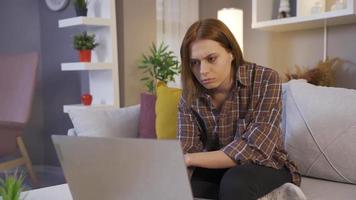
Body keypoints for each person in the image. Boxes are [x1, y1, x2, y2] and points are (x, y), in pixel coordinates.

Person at [178, 18, 301, 200]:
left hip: (266, 163)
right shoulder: (189, 96)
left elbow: (256, 148)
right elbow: (186, 148)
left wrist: (188, 159)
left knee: (235, 183)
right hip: (216, 167)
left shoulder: (266, 79)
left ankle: (279, 191)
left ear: (231, 53)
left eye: (211, 59)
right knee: (181, 185)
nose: (202, 71)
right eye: (195, 62)